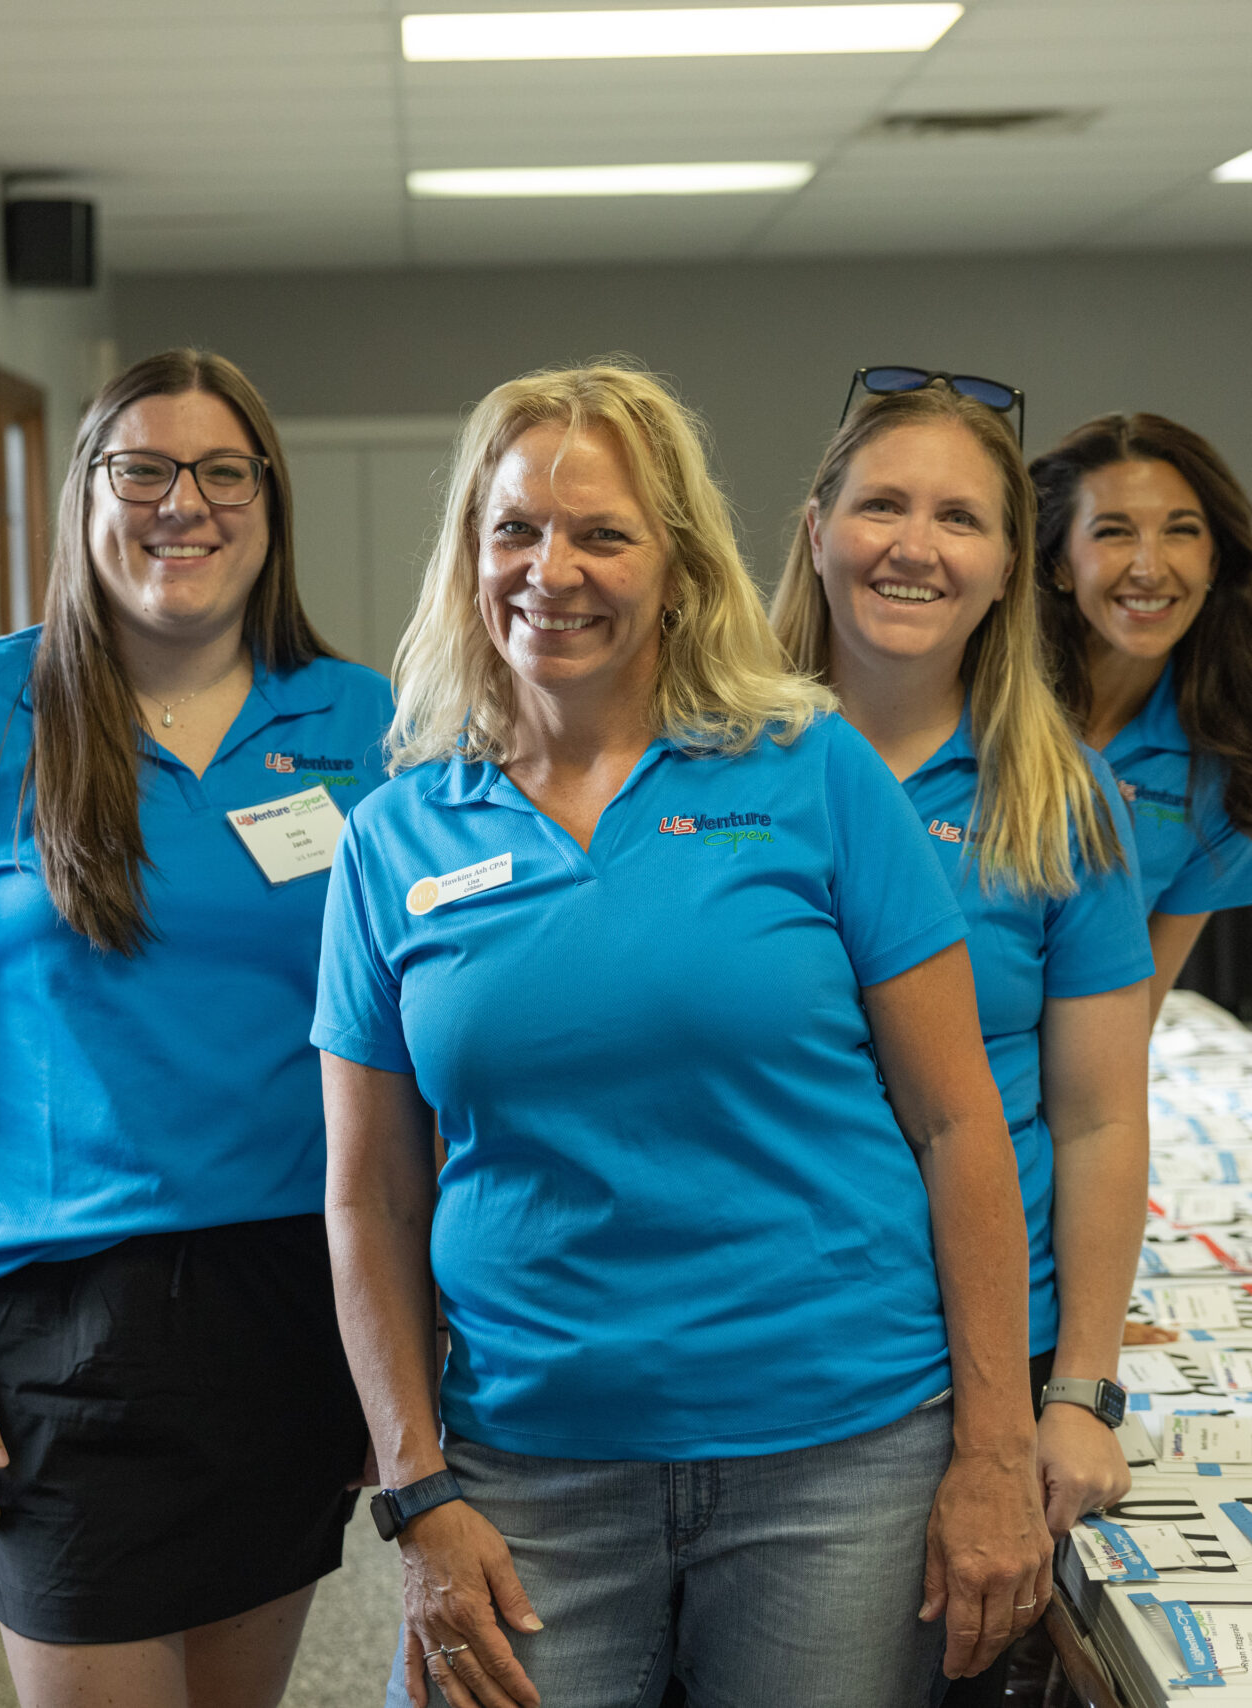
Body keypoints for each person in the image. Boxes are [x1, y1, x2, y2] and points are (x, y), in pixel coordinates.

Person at [317, 362, 1050, 1708]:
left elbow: (959, 1125)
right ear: (470, 553)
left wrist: (996, 1449)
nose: (554, 571)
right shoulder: (393, 838)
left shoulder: (812, 770)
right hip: (525, 1465)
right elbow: (368, 1193)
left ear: (679, 566)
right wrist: (415, 1490)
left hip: (836, 1456)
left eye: (603, 534)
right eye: (517, 528)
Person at [0, 349, 394, 1708]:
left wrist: (408, 1330)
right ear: (83, 495)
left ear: (269, 502)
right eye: (144, 469)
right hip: (55, 1323)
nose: (186, 504)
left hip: (294, 1301)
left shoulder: (365, 722)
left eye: (225, 472)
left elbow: (416, 1033)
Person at [770, 378, 1155, 1706]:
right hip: (769, 1343)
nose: (913, 547)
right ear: (815, 529)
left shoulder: (1060, 796)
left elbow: (1100, 1117)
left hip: (984, 1349)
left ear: (1007, 567)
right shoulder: (708, 766)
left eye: (959, 518)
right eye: (881, 505)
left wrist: (1082, 1392)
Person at [1030, 414, 1252, 1021]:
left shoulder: (1235, 763)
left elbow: (1136, 1008)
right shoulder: (977, 708)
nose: (1150, 567)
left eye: (1181, 531)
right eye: (1114, 532)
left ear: (1214, 561)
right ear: (1059, 562)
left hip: (1067, 1065)